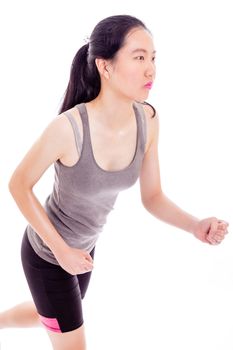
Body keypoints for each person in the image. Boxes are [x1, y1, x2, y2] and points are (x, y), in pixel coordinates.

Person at [0, 14, 229, 350]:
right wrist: (61, 251)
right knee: (69, 336)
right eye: (139, 57)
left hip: (83, 252)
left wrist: (195, 225)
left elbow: (152, 196)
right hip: (48, 253)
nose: (151, 69)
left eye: (153, 58)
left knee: (47, 313)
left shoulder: (148, 120)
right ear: (104, 66)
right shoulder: (70, 128)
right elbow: (18, 184)